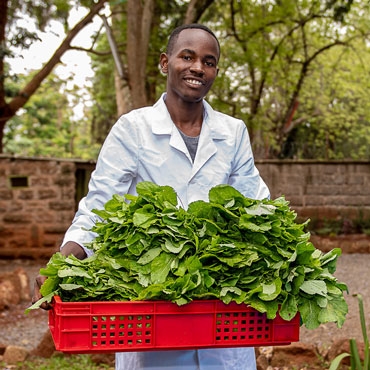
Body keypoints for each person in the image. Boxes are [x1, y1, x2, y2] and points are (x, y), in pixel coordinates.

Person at [33, 23, 270, 370]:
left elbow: (256, 205)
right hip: (152, 316)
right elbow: (99, 208)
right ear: (165, 63)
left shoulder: (232, 133)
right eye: (186, 57)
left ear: (215, 71)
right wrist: (63, 263)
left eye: (209, 61)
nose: (197, 68)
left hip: (222, 314)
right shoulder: (133, 130)